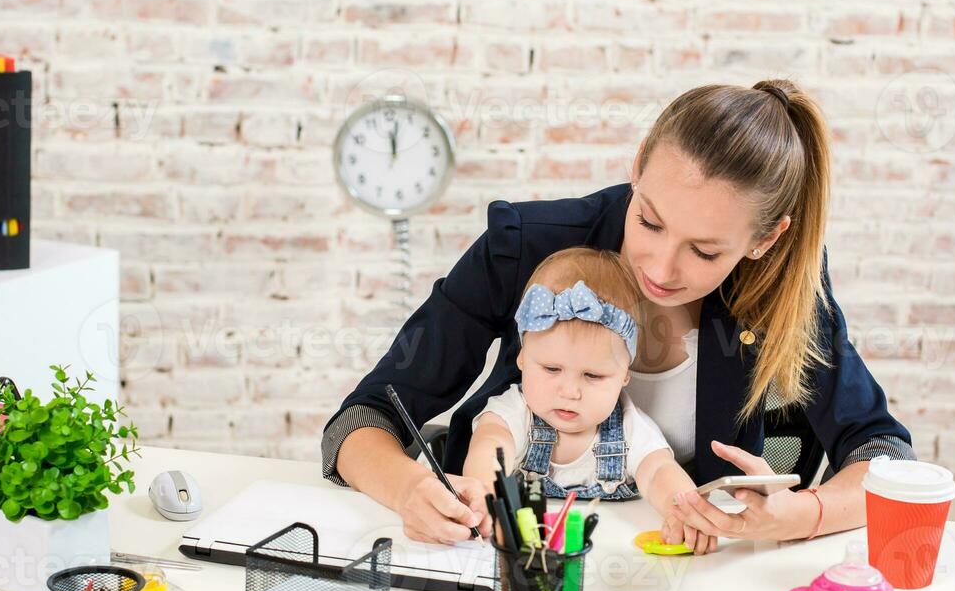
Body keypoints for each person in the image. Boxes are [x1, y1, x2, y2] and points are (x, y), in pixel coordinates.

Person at [323, 80, 914, 549]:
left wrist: (801, 515)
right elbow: (356, 424)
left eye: (705, 251)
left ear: (764, 239)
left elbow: (884, 454)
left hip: (667, 560)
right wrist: (411, 491)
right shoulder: (526, 246)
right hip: (492, 546)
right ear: (638, 166)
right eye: (649, 220)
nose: (659, 265)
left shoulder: (783, 288)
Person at [464, 247, 702, 546]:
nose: (570, 392)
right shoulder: (516, 411)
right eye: (552, 369)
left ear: (624, 375)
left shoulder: (627, 425)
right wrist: (486, 492)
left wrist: (683, 510)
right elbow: (491, 444)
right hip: (528, 550)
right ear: (522, 358)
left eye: (593, 376)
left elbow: (658, 471)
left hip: (608, 550)